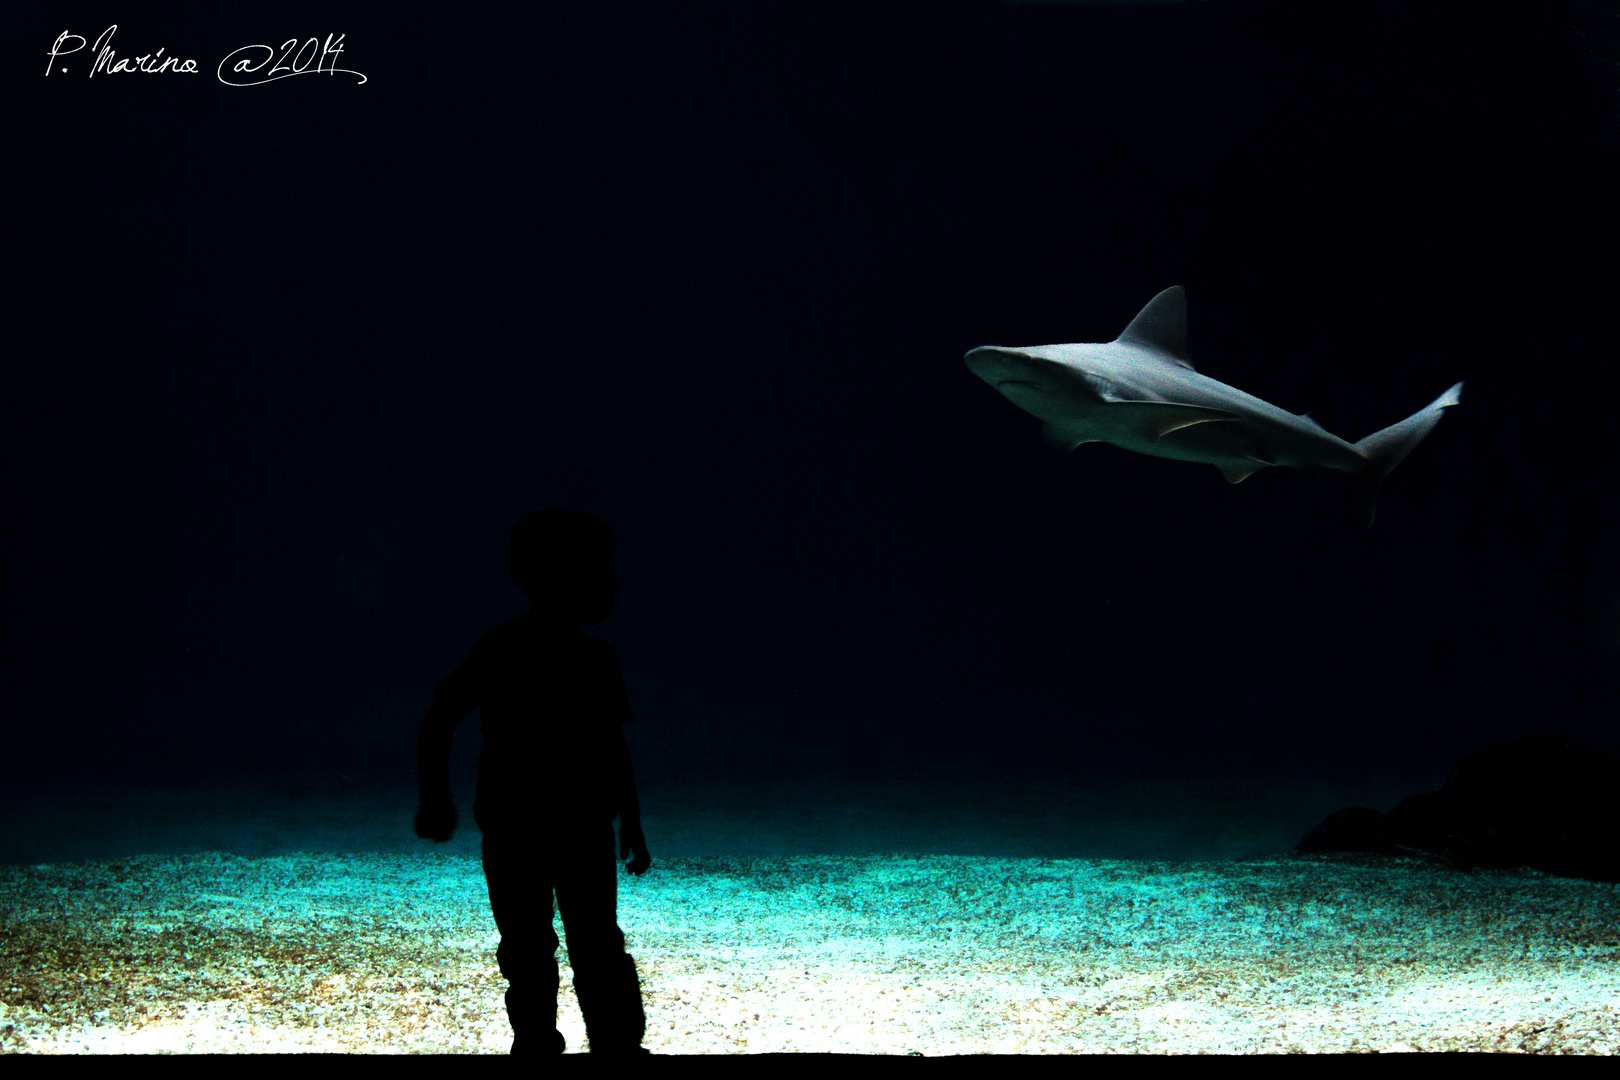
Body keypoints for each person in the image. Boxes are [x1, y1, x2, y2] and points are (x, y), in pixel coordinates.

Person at [414, 508, 652, 1054]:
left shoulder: (523, 650)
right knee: (582, 940)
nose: (614, 584)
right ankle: (607, 1043)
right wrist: (629, 819)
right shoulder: (587, 657)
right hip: (565, 823)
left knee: (536, 943)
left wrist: (436, 798)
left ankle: (544, 1041)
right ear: (567, 578)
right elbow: (615, 744)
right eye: (602, 572)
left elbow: (438, 719)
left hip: (525, 822)